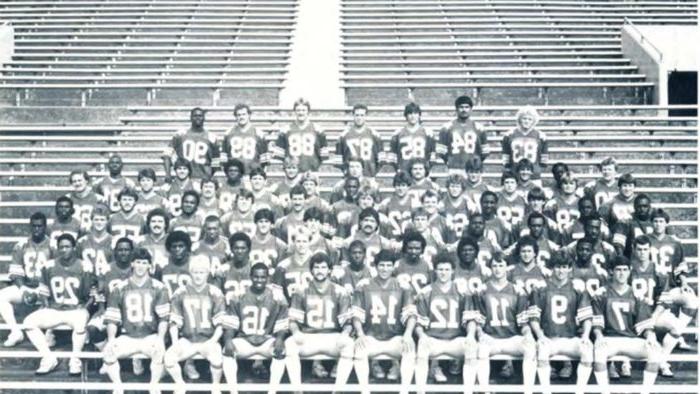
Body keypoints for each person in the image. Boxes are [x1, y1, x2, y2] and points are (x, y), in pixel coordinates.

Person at [23, 234, 94, 375]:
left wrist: (84, 308)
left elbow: (91, 295)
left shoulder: (84, 266)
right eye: (61, 247)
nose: (64, 250)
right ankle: (48, 358)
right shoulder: (49, 266)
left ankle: (75, 360)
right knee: (28, 322)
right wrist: (46, 305)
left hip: (75, 309)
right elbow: (44, 291)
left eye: (67, 246)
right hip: (55, 309)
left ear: (74, 248)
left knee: (80, 323)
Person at [591, 255, 661, 394]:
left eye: (625, 270)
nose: (621, 273)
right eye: (618, 270)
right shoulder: (602, 293)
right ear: (611, 271)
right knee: (598, 351)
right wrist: (598, 336)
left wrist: (650, 336)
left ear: (629, 271)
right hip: (609, 339)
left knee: (655, 350)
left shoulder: (636, 294)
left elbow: (643, 323)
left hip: (631, 339)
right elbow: (597, 322)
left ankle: (645, 392)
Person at [467, 253, 537, 394]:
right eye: (494, 265)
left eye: (501, 265)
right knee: (481, 350)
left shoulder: (517, 290)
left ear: (507, 268)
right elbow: (478, 322)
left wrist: (528, 334)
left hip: (512, 339)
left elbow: (523, 323)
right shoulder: (481, 290)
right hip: (491, 338)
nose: (498, 269)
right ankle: (484, 390)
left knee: (530, 347)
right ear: (490, 268)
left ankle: (528, 391)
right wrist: (480, 334)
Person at [103, 248, 169, 394]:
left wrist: (160, 338)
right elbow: (112, 318)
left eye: (144, 263)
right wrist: (111, 339)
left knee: (160, 352)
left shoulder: (159, 287)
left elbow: (164, 318)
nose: (140, 266)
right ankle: (118, 386)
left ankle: (154, 386)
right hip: (128, 337)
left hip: (149, 335)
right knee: (108, 352)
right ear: (132, 263)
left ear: (149, 266)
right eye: (138, 262)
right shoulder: (120, 288)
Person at [285, 252, 355, 390]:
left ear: (329, 270)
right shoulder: (301, 290)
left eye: (323, 267)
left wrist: (345, 334)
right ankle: (297, 389)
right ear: (311, 270)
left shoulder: (340, 291)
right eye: (316, 267)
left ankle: (338, 390)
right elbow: (293, 320)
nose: (320, 271)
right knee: (290, 344)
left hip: (332, 337)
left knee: (349, 344)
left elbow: (348, 323)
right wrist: (295, 331)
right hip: (308, 337)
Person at [529, 252, 594, 394]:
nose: (561, 271)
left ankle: (580, 391)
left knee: (587, 350)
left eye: (564, 267)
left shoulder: (577, 288)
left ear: (570, 268)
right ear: (552, 268)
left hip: (570, 339)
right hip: (549, 338)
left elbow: (586, 317)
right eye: (557, 267)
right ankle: (546, 391)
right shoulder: (541, 288)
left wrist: (585, 336)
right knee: (542, 351)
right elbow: (533, 318)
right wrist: (540, 336)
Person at [222, 262, 289, 393]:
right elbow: (231, 324)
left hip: (266, 340)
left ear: (268, 278)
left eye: (263, 277)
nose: (259, 280)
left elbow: (282, 324)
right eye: (256, 277)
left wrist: (280, 339)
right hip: (245, 340)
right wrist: (228, 340)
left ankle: (272, 391)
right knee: (227, 351)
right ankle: (233, 391)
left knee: (281, 352)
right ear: (251, 277)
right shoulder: (238, 296)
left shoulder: (277, 298)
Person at [414, 252, 475, 390]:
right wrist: (422, 336)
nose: (443, 273)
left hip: (455, 340)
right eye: (440, 269)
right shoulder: (426, 292)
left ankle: (469, 390)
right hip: (433, 340)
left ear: (453, 271)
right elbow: (419, 323)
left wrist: (470, 335)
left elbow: (470, 318)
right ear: (435, 270)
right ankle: (420, 390)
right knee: (422, 346)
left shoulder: (462, 291)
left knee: (472, 346)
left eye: (447, 269)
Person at [165, 256, 226, 394]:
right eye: (196, 272)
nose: (199, 276)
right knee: (169, 358)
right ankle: (180, 384)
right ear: (190, 273)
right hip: (188, 340)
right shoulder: (180, 292)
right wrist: (175, 342)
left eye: (202, 272)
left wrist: (212, 341)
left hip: (208, 339)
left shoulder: (215, 293)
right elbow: (174, 322)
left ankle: (215, 387)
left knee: (217, 360)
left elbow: (220, 325)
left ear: (208, 273)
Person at [1, 212, 52, 347]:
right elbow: (16, 272)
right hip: (27, 286)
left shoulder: (53, 245)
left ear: (45, 227)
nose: (36, 229)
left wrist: (43, 291)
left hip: (47, 289)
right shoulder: (21, 245)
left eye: (40, 226)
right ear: (30, 227)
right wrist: (23, 289)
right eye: (34, 226)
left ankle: (50, 333)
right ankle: (15, 331)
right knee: (2, 296)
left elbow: (56, 272)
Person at [162, 107, 219, 183]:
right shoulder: (180, 135)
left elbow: (216, 162)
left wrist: (209, 175)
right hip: (184, 178)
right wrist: (168, 174)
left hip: (203, 179)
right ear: (190, 118)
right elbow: (167, 155)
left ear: (204, 118)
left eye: (200, 116)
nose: (198, 118)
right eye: (195, 116)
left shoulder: (212, 137)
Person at [270, 98, 329, 172]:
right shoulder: (285, 130)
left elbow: (324, 156)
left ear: (308, 112)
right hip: (292, 173)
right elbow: (279, 157)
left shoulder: (318, 130)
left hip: (311, 172)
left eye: (303, 110)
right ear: (294, 111)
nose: (301, 113)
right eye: (298, 110)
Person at [436, 95, 489, 175]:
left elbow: (485, 152)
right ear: (456, 109)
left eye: (467, 107)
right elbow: (441, 151)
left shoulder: (479, 128)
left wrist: (476, 162)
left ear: (471, 109)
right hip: (454, 168)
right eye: (461, 107)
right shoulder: (447, 127)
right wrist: (450, 161)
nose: (464, 110)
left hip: (473, 169)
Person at [385, 102, 437, 174]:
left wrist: (426, 170)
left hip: (421, 172)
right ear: (406, 116)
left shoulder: (428, 133)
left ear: (419, 115)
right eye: (410, 113)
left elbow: (432, 156)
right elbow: (392, 157)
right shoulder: (397, 133)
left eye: (415, 113)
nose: (413, 116)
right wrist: (398, 170)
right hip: (404, 171)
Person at [501, 106, 549, 182]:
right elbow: (506, 158)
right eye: (524, 118)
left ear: (534, 121)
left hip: (534, 173)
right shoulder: (509, 135)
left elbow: (544, 161)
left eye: (530, 119)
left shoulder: (541, 136)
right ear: (520, 119)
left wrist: (536, 170)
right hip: (515, 173)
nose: (527, 121)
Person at [335, 104, 383, 177]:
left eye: (362, 115)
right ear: (353, 116)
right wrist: (346, 171)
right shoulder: (344, 135)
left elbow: (381, 160)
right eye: (357, 115)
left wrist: (373, 172)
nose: (359, 118)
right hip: (350, 176)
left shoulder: (375, 135)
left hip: (369, 174)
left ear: (366, 116)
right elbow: (338, 160)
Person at [220, 103, 270, 174]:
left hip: (253, 174)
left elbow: (265, 161)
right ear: (235, 117)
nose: (241, 117)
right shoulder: (228, 133)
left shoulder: (259, 133)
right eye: (239, 115)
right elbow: (224, 160)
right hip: (235, 176)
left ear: (249, 115)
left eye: (244, 114)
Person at [76, 204, 113, 278]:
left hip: (107, 279)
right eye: (96, 219)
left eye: (102, 220)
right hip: (87, 279)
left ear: (107, 221)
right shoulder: (81, 241)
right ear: (91, 220)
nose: (99, 222)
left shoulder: (114, 241)